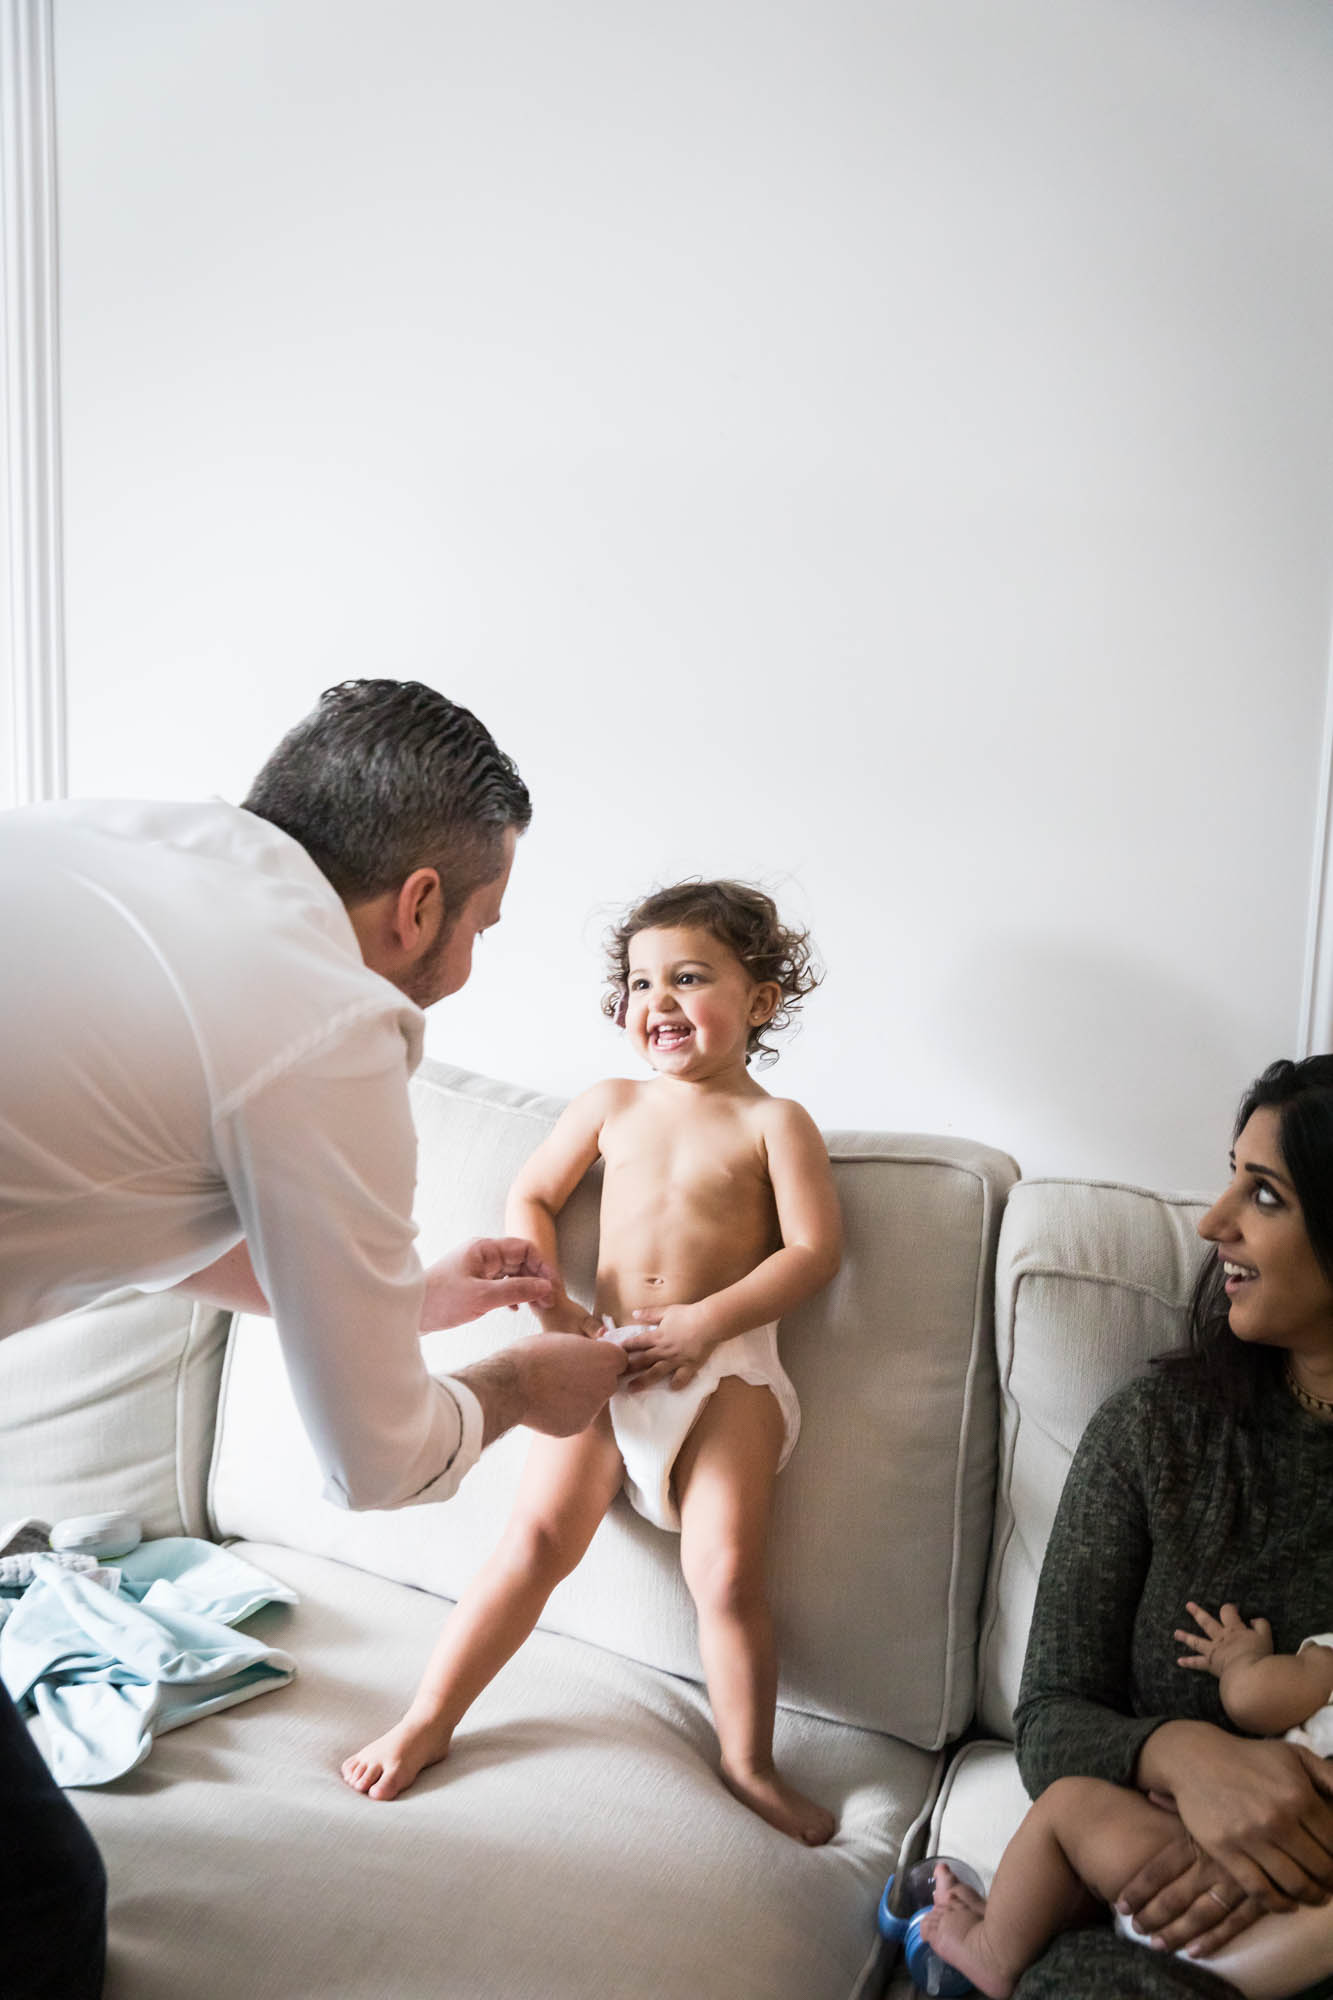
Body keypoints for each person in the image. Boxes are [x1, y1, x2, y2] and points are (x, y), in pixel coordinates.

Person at [0, 679, 626, 2000]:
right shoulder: (332, 1023)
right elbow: (377, 1462)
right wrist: (524, 1385)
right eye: (481, 927)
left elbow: (131, 1202)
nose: (465, 969)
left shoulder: (133, 837)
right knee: (37, 1908)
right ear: (416, 904)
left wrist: (402, 1296)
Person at [341, 879, 844, 1842]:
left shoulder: (774, 1124)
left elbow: (812, 1253)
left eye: (688, 978)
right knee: (533, 1541)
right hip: (606, 1358)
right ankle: (427, 1721)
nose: (655, 1001)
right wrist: (551, 1298)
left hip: (721, 1369)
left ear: (761, 1002)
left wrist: (702, 1324)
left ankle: (747, 1762)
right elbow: (530, 1194)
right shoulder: (610, 1103)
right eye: (639, 981)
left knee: (729, 1572)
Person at [934, 1056, 1333, 2000]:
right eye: (1229, 1174)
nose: (1212, 1221)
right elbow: (1050, 1717)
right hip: (1146, 1950)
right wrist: (1182, 1754)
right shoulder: (1159, 1431)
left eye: (1263, 1193)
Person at [920, 1601, 1333, 1998]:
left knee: (1067, 1810)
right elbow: (1049, 1718)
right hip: (1309, 1948)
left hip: (1211, 1920)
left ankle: (990, 1948)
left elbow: (1251, 1700)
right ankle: (1023, 1919)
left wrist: (1240, 1660)